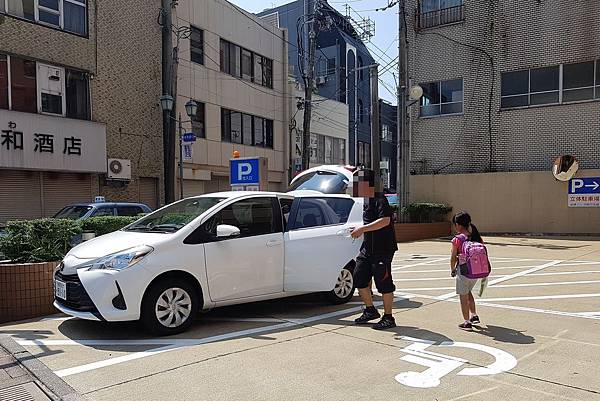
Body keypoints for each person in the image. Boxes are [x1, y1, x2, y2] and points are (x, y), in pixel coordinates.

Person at [350, 169, 398, 330]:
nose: (355, 186)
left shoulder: (379, 199)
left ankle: (388, 317)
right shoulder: (366, 200)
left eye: (357, 182)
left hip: (382, 249)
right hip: (367, 249)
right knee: (358, 278)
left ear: (367, 184)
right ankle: (370, 310)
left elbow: (385, 220)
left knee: (384, 283)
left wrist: (362, 229)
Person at [450, 211, 483, 330]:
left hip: (463, 271)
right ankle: (474, 315)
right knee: (468, 292)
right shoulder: (475, 235)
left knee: (463, 297)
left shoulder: (457, 239)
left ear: (458, 225)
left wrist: (452, 269)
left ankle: (466, 322)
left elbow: (453, 257)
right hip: (476, 271)